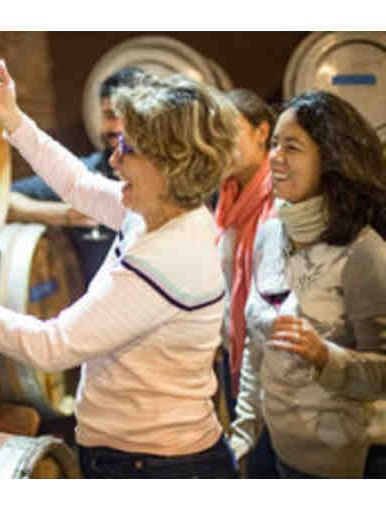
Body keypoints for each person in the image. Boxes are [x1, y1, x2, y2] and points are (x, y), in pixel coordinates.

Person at [0, 62, 241, 478]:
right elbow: (77, 184)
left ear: (170, 166)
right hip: (144, 457)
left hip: (158, 467)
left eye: (129, 149)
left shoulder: (166, 259)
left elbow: (51, 346)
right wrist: (12, 117)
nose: (114, 159)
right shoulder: (163, 212)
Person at [229, 89, 386, 478]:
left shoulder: (364, 251)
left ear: (331, 159)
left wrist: (324, 356)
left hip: (352, 465)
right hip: (280, 454)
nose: (274, 157)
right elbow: (256, 345)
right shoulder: (269, 234)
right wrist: (243, 434)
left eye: (292, 147)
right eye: (275, 144)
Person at [8, 67, 143, 285]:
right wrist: (64, 215)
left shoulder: (170, 183)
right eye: (109, 115)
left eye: (125, 117)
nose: (117, 127)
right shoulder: (86, 172)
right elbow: (4, 200)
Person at [212, 89, 278, 477]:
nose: (219, 142)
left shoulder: (278, 198)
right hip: (233, 349)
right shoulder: (227, 193)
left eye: (230, 131)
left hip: (270, 359)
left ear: (261, 132)